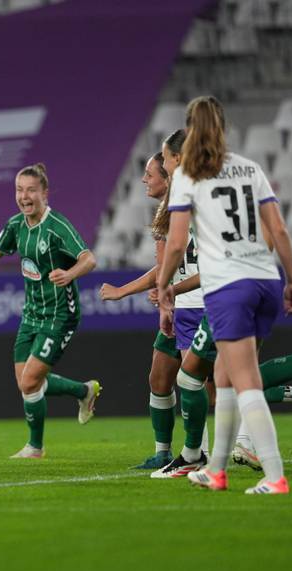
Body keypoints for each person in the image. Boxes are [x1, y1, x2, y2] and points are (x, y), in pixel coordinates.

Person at [158, 95, 292, 494]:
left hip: (229, 287)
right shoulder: (248, 168)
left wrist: (164, 284)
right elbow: (280, 231)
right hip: (265, 280)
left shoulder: (187, 176)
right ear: (222, 127)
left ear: (190, 129)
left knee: (245, 382)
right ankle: (215, 469)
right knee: (222, 374)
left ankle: (275, 477)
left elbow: (176, 243)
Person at [0, 163, 101, 458]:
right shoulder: (16, 225)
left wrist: (69, 274)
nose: (24, 197)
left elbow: (89, 258)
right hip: (31, 313)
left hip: (59, 315)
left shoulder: (57, 227)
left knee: (29, 381)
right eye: (19, 190)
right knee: (26, 383)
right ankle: (83, 392)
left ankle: (35, 447)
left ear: (45, 193)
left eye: (31, 191)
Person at [99, 148, 198, 469]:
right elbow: (163, 268)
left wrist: (124, 291)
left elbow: (175, 267)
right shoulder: (162, 214)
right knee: (159, 378)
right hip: (178, 307)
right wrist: (162, 303)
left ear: (168, 178)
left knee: (215, 389)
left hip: (202, 306)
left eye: (150, 174)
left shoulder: (191, 209)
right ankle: (163, 452)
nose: (144, 179)